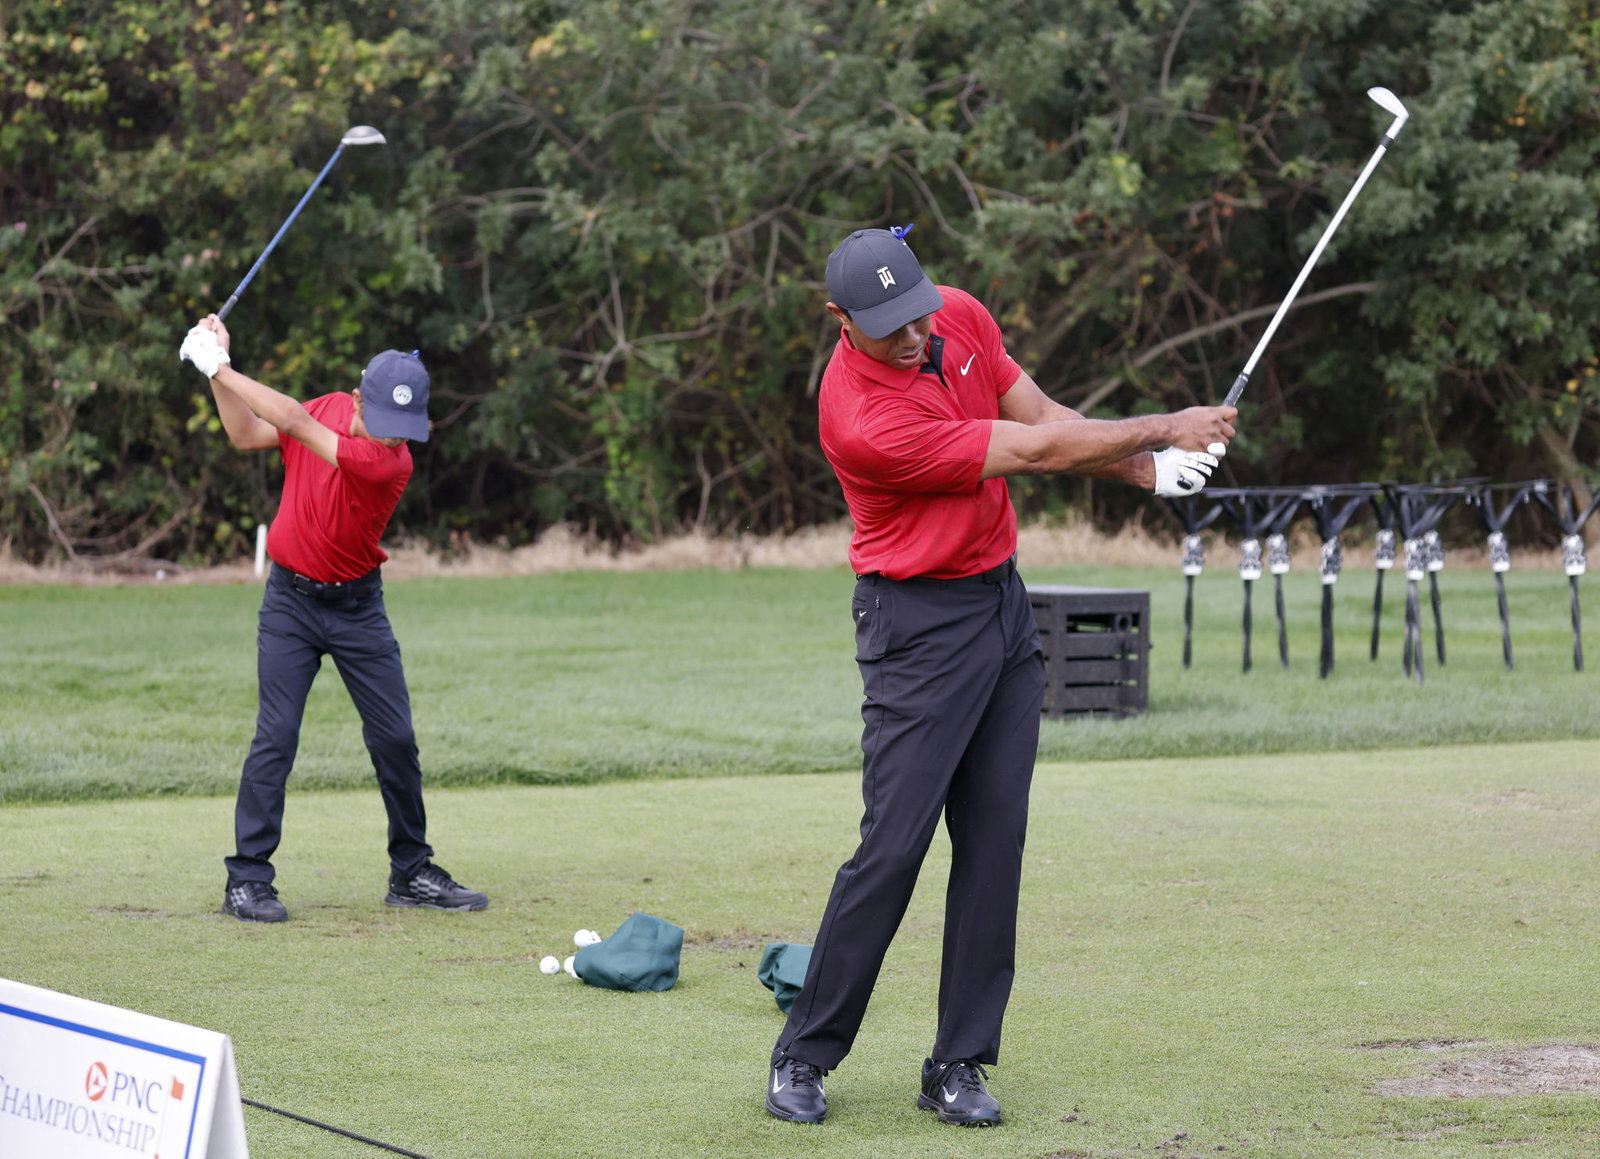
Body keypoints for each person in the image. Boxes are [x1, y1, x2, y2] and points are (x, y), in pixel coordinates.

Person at [764, 227, 1235, 1127]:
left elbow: (1041, 415)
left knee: (993, 842)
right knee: (893, 846)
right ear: (839, 319)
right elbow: (1033, 456)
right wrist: (1168, 424)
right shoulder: (861, 417)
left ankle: (959, 1063)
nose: (911, 335)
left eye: (917, 313)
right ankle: (804, 1052)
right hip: (915, 627)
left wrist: (1142, 467)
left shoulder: (961, 317)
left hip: (1002, 612)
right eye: (887, 325)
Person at [179, 315, 489, 923]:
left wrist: (218, 365)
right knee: (276, 738)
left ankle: (411, 870)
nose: (396, 438)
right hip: (290, 604)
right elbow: (246, 435)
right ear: (355, 400)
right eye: (386, 423)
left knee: (395, 738)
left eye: (407, 428)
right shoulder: (321, 408)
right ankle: (246, 880)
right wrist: (215, 366)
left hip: (357, 609)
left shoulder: (388, 464)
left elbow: (290, 419)